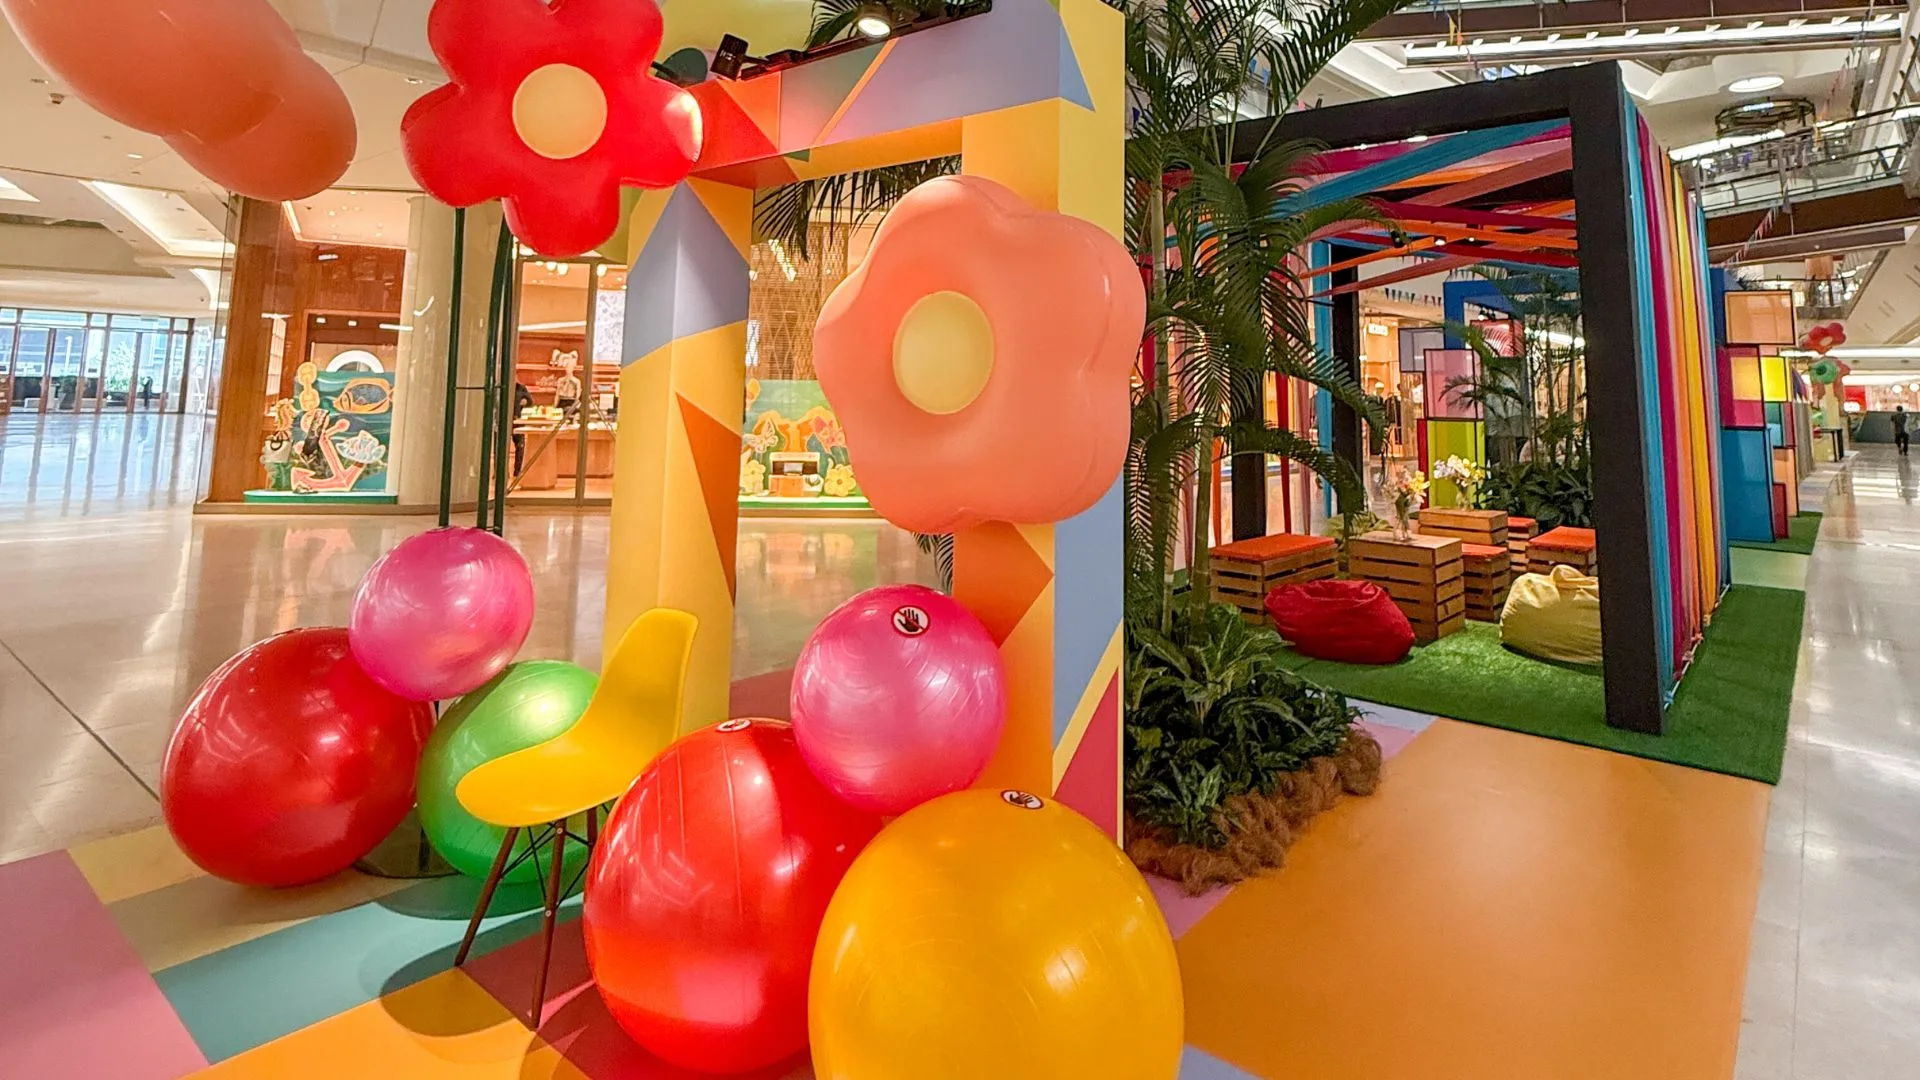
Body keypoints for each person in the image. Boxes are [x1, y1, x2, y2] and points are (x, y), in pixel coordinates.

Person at [512, 381, 534, 474]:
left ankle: (518, 470)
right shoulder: (501, 387)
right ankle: (499, 470)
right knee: (501, 447)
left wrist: (526, 402)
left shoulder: (520, 388)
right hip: (503, 420)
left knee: (520, 446)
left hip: (518, 420)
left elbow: (530, 401)